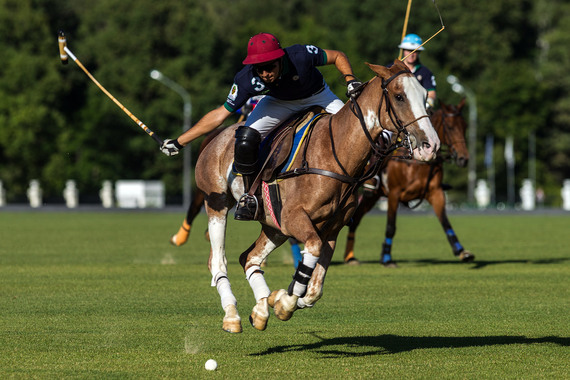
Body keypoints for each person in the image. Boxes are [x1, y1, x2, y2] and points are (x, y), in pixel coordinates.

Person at [160, 32, 360, 221]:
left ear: (280, 59)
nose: (265, 73)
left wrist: (350, 81)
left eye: (270, 67)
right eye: (259, 69)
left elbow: (337, 56)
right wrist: (179, 142)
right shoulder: (246, 79)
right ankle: (250, 197)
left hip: (317, 95)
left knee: (354, 133)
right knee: (246, 137)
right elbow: (221, 114)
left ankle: (348, 195)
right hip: (278, 102)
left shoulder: (300, 55)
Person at [398, 33, 437, 109]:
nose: (411, 54)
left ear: (419, 52)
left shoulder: (425, 72)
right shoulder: (391, 68)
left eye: (414, 51)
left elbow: (431, 93)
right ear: (403, 51)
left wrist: (428, 103)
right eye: (408, 50)